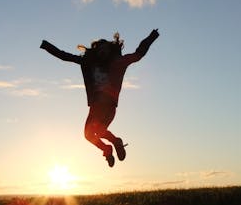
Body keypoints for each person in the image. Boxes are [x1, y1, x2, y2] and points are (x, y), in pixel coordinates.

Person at [40, 29, 159, 167]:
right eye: (100, 49)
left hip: (109, 105)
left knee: (99, 131)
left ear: (110, 51)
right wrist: (46, 46)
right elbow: (65, 56)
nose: (103, 51)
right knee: (89, 135)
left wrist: (151, 37)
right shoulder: (89, 63)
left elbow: (138, 54)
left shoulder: (119, 62)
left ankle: (115, 142)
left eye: (106, 48)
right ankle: (108, 148)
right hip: (96, 106)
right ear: (96, 52)